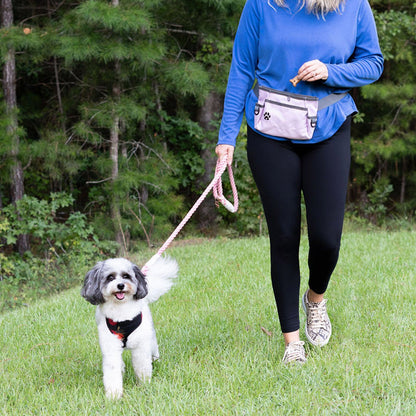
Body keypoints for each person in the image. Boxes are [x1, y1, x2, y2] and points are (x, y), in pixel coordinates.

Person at [216, 0, 383, 363]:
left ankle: (315, 299)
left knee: (327, 238)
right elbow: (241, 70)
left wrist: (330, 71)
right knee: (285, 235)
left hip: (330, 127)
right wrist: (226, 139)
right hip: (271, 132)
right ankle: (292, 342)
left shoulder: (354, 5)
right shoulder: (261, 4)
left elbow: (374, 63)